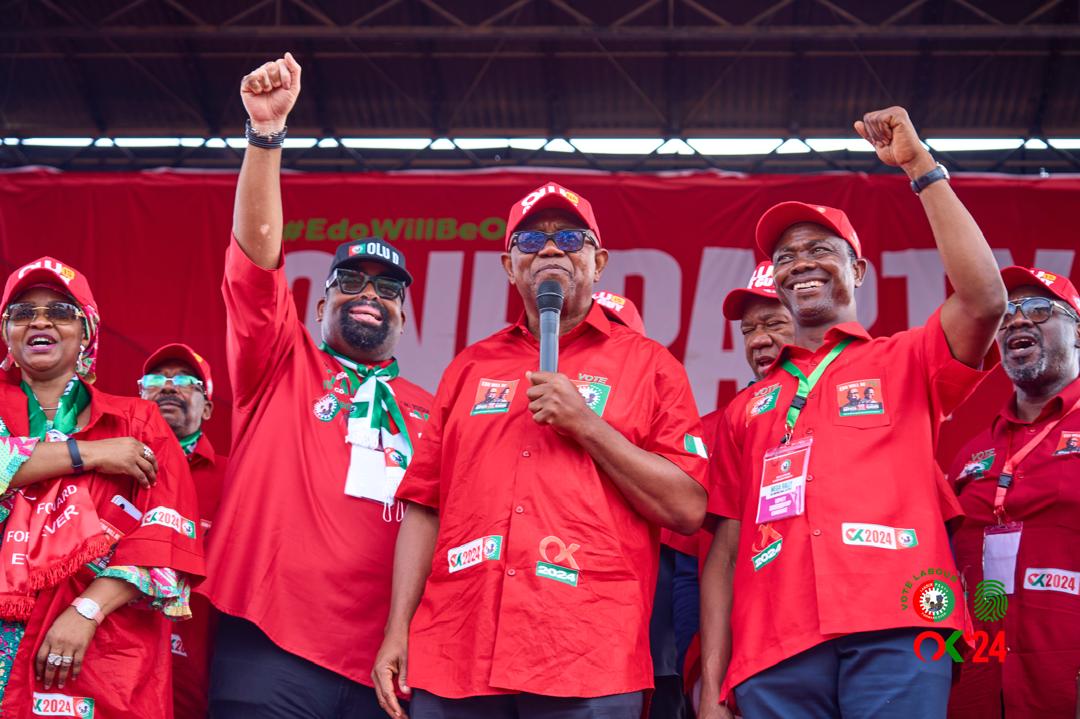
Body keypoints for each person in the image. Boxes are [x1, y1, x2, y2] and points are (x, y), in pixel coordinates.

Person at [700, 105, 1007, 719]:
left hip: (900, 620)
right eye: (785, 257)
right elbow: (726, 554)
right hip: (773, 645)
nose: (800, 262)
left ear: (857, 270)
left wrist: (919, 166)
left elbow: (983, 300)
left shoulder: (907, 359)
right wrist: (712, 685)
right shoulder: (743, 411)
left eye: (819, 249)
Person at [372, 181, 709, 719]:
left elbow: (688, 509)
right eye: (530, 241)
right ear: (509, 266)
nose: (550, 250)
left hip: (585, 653)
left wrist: (587, 425)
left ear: (598, 262)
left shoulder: (651, 365)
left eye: (569, 237)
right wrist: (398, 630)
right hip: (457, 650)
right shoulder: (468, 367)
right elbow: (424, 505)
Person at [198, 53, 433, 718]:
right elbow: (253, 258)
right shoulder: (279, 360)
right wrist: (266, 136)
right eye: (350, 283)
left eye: (387, 290)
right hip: (270, 644)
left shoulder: (431, 410)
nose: (369, 295)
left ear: (405, 316)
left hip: (385, 662)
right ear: (320, 302)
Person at [0, 256, 204, 717]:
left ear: (87, 332)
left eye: (60, 311)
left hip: (106, 650)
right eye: (22, 312)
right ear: (6, 334)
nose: (41, 321)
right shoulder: (114, 440)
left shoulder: (139, 420)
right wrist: (88, 454)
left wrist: (87, 611)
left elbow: (166, 535)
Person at [946, 266, 1080, 718]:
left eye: (1040, 310)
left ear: (1077, 333)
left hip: (1065, 681)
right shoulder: (973, 453)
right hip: (979, 683)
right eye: (1007, 313)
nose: (1018, 321)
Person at [688, 261, 794, 712]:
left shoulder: (864, 395)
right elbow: (723, 555)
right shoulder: (734, 420)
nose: (758, 340)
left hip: (862, 645)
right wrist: (711, 689)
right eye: (749, 329)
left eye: (773, 323)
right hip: (764, 655)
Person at [139, 343, 227, 719]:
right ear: (139, 397)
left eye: (186, 382)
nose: (169, 387)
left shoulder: (235, 478)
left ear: (207, 408)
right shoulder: (108, 461)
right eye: (156, 381)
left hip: (194, 672)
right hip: (108, 655)